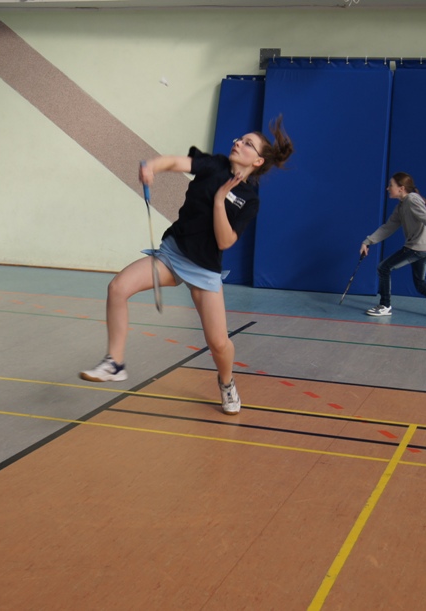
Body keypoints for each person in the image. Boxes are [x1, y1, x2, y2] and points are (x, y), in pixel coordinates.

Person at [80, 117, 293, 415]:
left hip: (204, 270)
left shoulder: (248, 200)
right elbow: (174, 162)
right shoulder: (214, 164)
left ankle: (227, 383)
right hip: (173, 254)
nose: (238, 142)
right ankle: (115, 363)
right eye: (239, 138)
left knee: (218, 344)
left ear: (257, 161)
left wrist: (219, 201)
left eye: (247, 143)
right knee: (118, 287)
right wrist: (152, 166)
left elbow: (225, 241)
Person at [361, 172, 426, 321]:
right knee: (420, 284)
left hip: (416, 248)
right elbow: (388, 228)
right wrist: (368, 241)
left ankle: (385, 305)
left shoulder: (412, 199)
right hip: (425, 249)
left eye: (391, 185)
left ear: (401, 188)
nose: (388, 188)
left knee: (384, 268)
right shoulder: (401, 206)